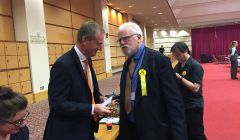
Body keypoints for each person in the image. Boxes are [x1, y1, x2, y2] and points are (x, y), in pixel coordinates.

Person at [117, 22, 187, 140]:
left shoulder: (158, 60)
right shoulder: (127, 64)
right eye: (119, 40)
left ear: (139, 38)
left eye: (126, 38)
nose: (122, 42)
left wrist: (179, 135)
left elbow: (174, 101)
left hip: (154, 129)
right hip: (131, 128)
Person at [43, 21, 111, 140]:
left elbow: (84, 88)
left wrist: (98, 97)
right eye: (99, 44)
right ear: (85, 40)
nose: (100, 49)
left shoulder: (87, 60)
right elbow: (57, 105)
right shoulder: (63, 65)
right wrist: (92, 108)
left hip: (86, 127)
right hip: (68, 132)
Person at [171, 42, 207, 140]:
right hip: (182, 105)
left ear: (186, 51)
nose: (176, 57)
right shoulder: (178, 66)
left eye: (178, 55)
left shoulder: (195, 66)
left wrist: (180, 78)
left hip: (193, 105)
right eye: (175, 55)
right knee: (187, 133)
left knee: (197, 134)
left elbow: (195, 88)